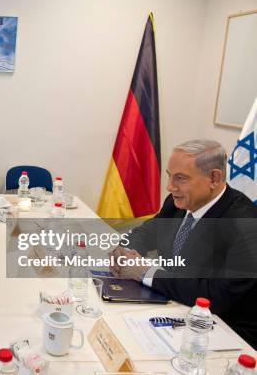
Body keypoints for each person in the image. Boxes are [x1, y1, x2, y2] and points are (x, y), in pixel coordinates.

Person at [110, 139, 257, 348]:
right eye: (170, 177)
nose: (170, 187)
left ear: (214, 178)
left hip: (223, 333)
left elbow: (216, 296)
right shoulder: (178, 201)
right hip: (170, 304)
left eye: (181, 178)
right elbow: (148, 231)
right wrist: (125, 251)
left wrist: (144, 272)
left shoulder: (246, 225)